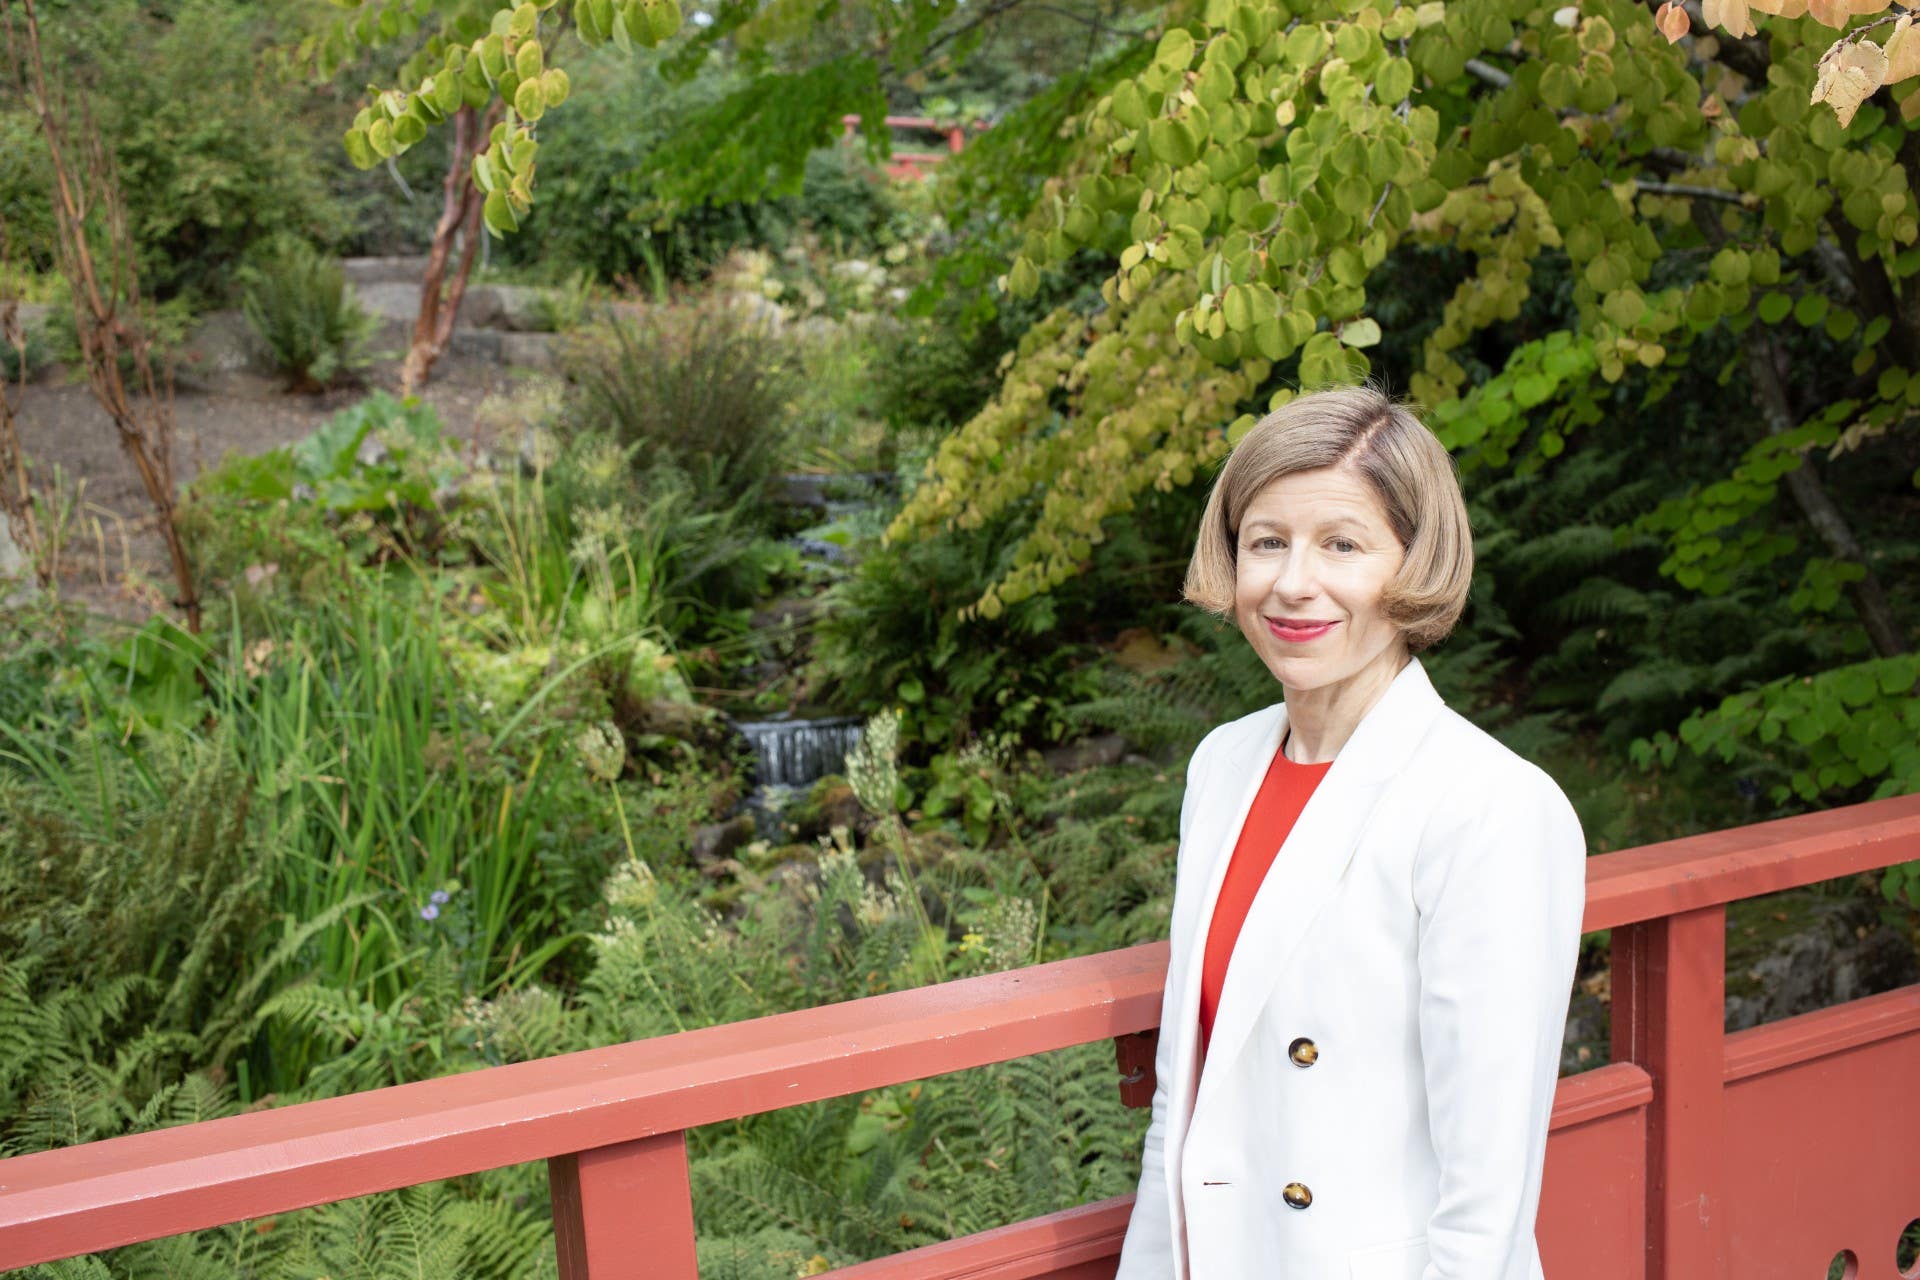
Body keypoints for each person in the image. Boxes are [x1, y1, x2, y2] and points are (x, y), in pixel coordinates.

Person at [1114, 386, 1588, 1280]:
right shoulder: (1223, 764)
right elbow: (1185, 1096)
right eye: (1266, 543)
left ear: (1414, 563)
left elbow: (1488, 1183)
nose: (1295, 583)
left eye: (1342, 544)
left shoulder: (1488, 805)